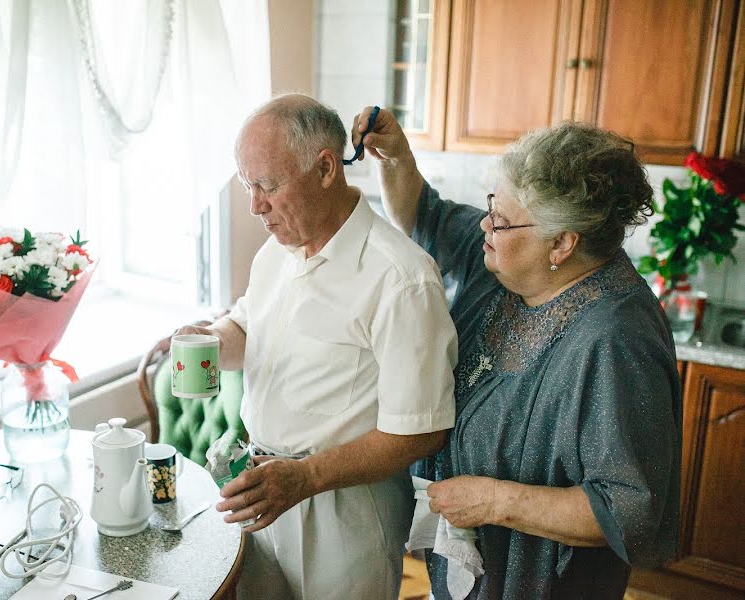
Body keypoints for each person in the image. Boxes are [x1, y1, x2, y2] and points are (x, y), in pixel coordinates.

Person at [350, 107, 681, 599]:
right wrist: (395, 156)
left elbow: (629, 510)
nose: (486, 224)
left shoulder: (614, 340)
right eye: (490, 206)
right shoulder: (504, 262)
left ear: (562, 243)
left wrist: (493, 501)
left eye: (501, 220)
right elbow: (429, 216)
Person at [175, 94, 459, 600]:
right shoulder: (276, 250)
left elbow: (421, 431)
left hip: (344, 514)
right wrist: (212, 342)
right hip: (263, 492)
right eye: (247, 186)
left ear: (326, 168)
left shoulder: (401, 278)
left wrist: (304, 478)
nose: (255, 205)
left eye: (267, 185)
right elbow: (246, 326)